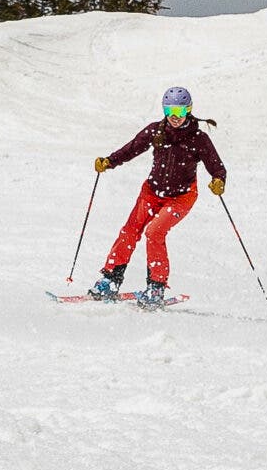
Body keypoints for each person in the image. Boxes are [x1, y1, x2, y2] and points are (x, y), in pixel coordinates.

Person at [89, 86, 226, 306]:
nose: (174, 116)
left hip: (181, 197)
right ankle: (110, 280)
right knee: (130, 230)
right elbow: (131, 149)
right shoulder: (156, 131)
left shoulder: (198, 139)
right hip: (152, 192)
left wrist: (218, 181)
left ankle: (156, 288)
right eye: (169, 110)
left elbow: (217, 167)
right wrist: (109, 161)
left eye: (180, 111)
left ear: (189, 110)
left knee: (154, 232)